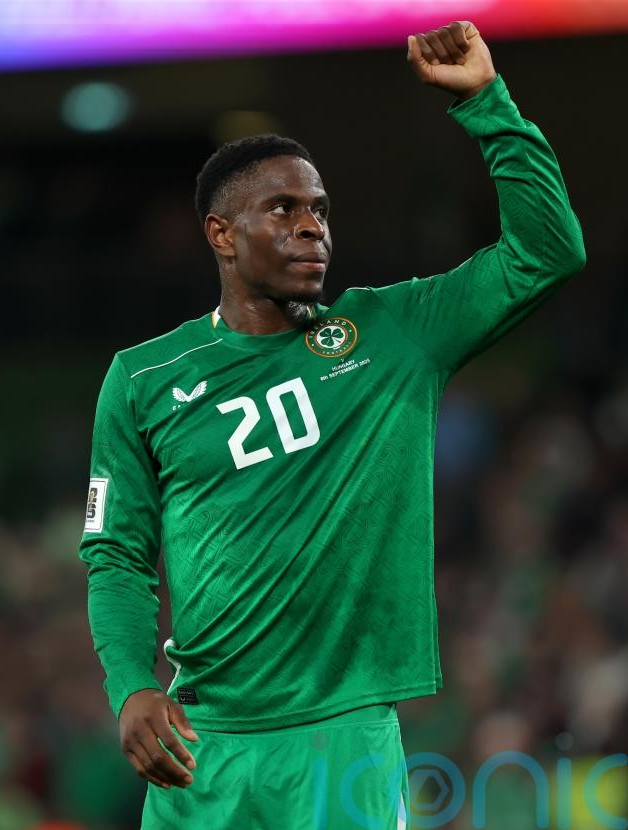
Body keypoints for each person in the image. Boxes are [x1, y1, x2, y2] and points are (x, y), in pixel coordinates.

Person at [78, 20, 585, 830]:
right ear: (221, 234)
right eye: (281, 209)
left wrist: (488, 104)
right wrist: (131, 684)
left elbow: (546, 253)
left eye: (318, 209)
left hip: (344, 741)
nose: (312, 226)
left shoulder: (390, 334)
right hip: (202, 748)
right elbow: (115, 554)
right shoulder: (143, 379)